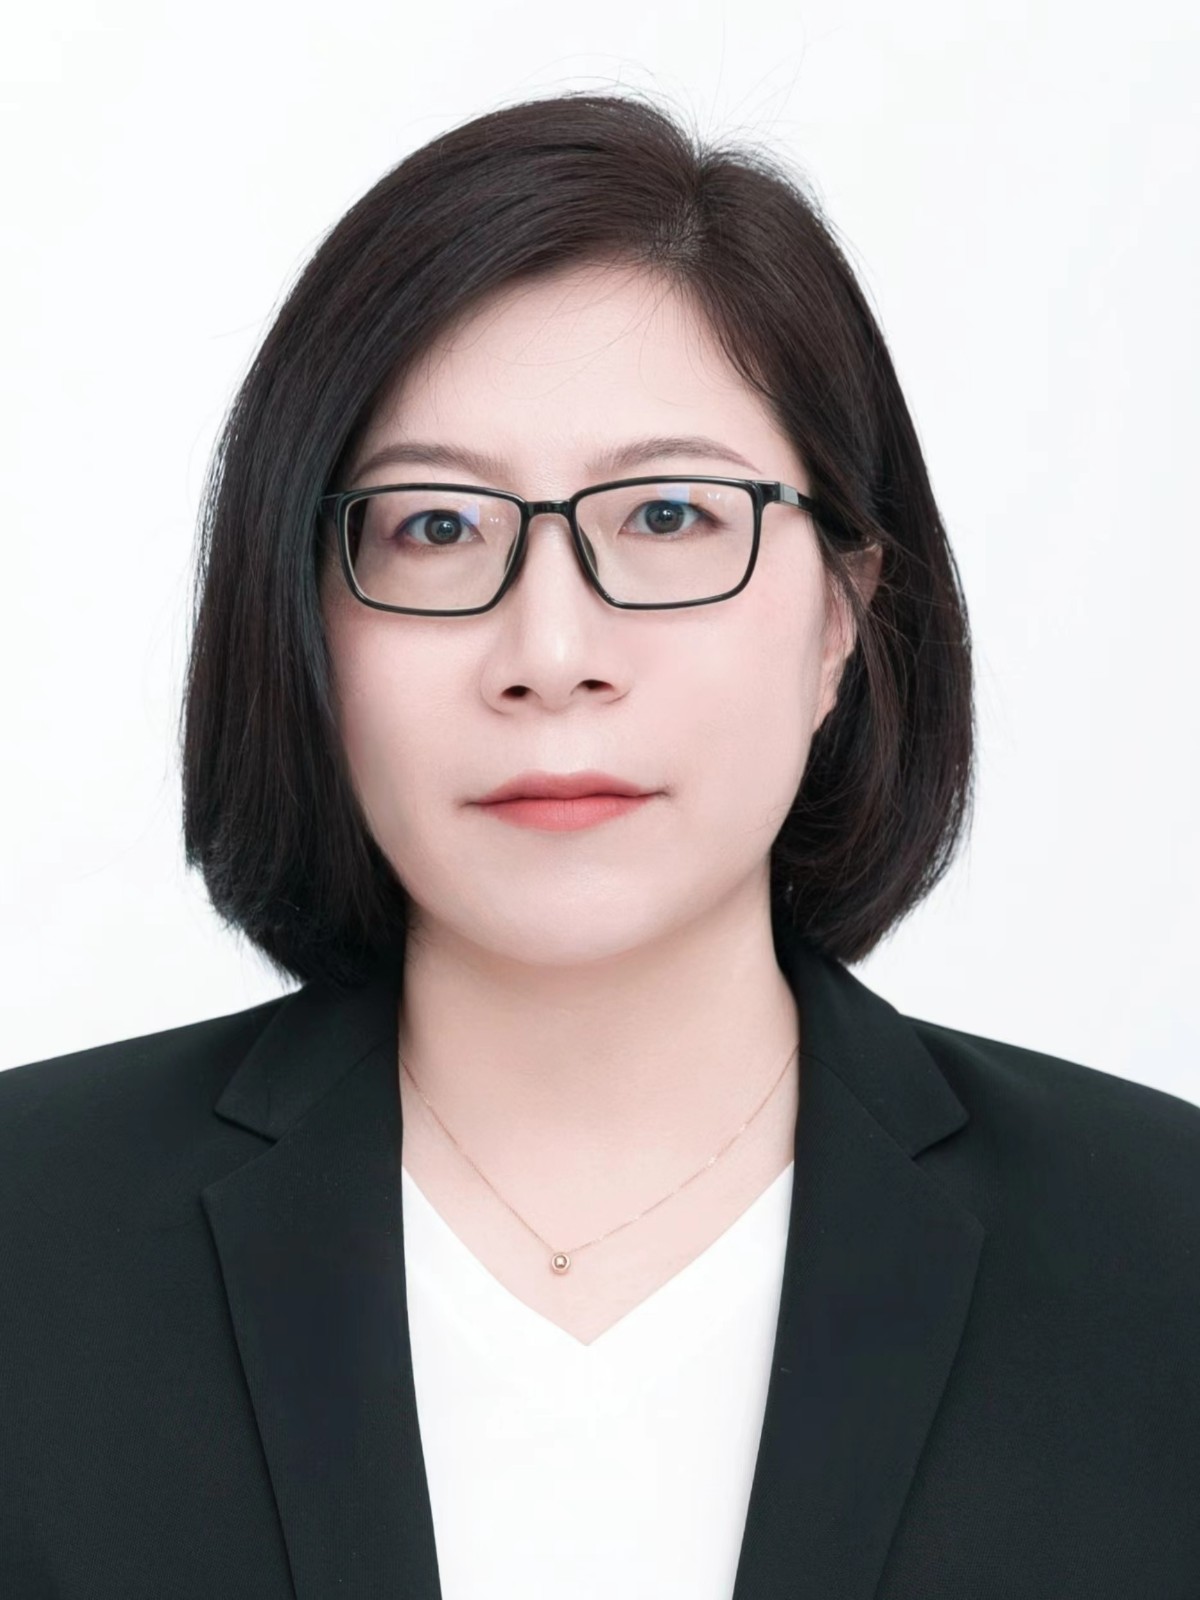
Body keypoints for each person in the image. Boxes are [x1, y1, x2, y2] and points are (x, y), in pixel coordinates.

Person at [1, 90, 1197, 1600]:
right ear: (305, 620)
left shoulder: (1162, 1260)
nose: (552, 654)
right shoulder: (28, 1243)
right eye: (436, 528)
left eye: (671, 515)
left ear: (843, 614)